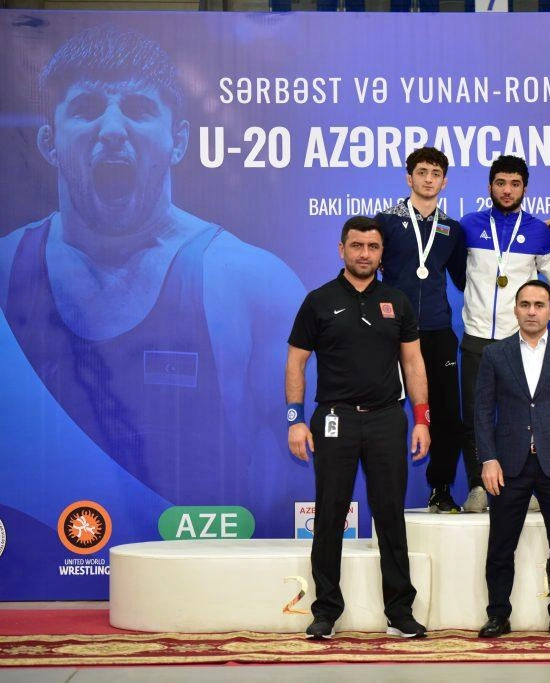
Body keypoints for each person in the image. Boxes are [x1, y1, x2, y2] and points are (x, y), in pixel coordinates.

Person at [0, 25, 305, 532]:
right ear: (49, 142)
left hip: (208, 563)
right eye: (87, 108)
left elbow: (305, 460)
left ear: (178, 141)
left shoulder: (255, 284)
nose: (112, 129)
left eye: (138, 109)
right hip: (40, 561)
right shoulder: (6, 269)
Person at [285, 216, 430, 640]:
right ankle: (325, 611)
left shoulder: (397, 301)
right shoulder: (318, 301)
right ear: (342, 249)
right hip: (335, 419)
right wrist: (295, 420)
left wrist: (422, 420)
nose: (364, 254)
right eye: (357, 246)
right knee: (330, 515)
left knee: (390, 515)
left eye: (373, 247)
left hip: (387, 418)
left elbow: (413, 363)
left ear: (382, 253)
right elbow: (296, 362)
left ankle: (399, 612)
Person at [474, 280, 550, 638]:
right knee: (500, 546)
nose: (531, 311)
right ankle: (498, 615)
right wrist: (488, 459)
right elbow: (482, 411)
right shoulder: (495, 354)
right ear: (515, 309)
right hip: (508, 464)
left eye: (539, 305)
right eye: (525, 304)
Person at [459, 155, 550, 513]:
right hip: (476, 337)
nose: (507, 190)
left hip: (520, 340)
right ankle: (478, 486)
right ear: (490, 186)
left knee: (521, 417)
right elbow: (456, 271)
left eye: (515, 184)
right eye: (500, 183)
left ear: (524, 189)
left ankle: (522, 486)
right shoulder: (468, 226)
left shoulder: (539, 232)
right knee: (475, 415)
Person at [375, 147, 467, 513]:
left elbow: (464, 277)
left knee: (447, 416)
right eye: (422, 172)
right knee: (385, 413)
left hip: (437, 330)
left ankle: (440, 489)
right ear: (409, 177)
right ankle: (386, 491)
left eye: (435, 174)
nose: (428, 179)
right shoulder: (385, 221)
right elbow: (366, 269)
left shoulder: (452, 230)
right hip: (392, 332)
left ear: (444, 182)